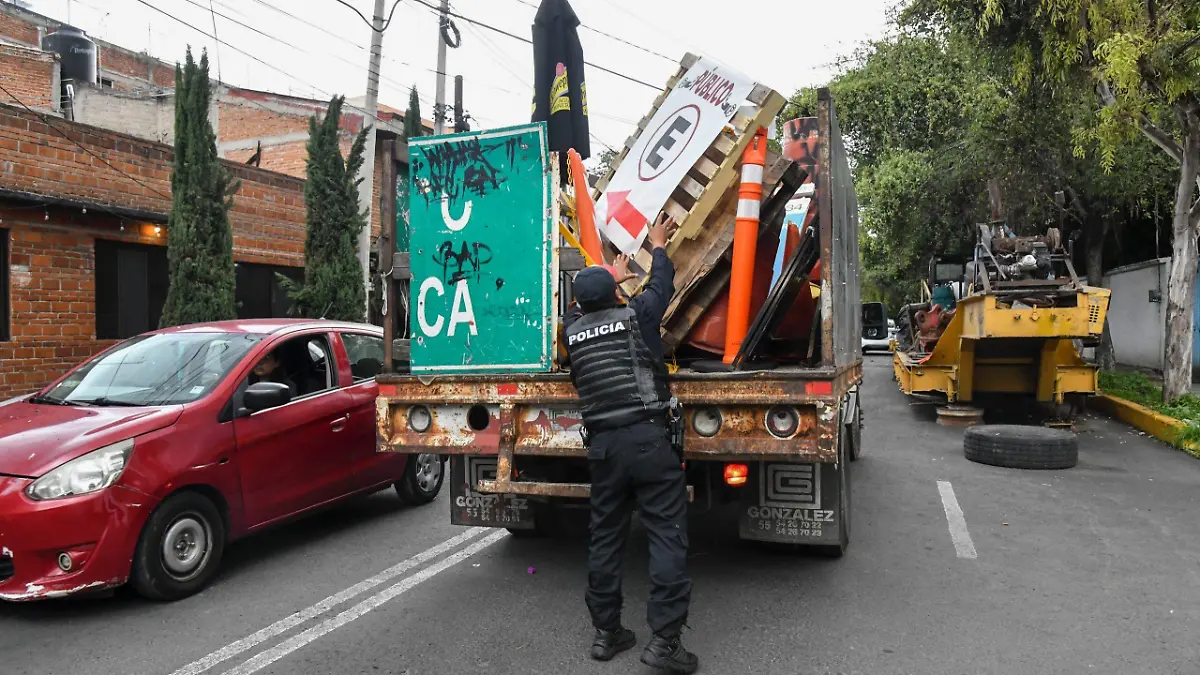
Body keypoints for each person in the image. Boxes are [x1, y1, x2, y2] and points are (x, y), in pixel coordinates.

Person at [562, 213, 698, 674]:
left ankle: (606, 634)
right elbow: (661, 286)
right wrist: (658, 245)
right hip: (648, 439)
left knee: (605, 537)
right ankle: (664, 643)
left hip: (603, 449)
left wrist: (607, 280)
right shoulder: (637, 316)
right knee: (666, 534)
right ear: (618, 293)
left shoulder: (572, 332)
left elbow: (584, 306)